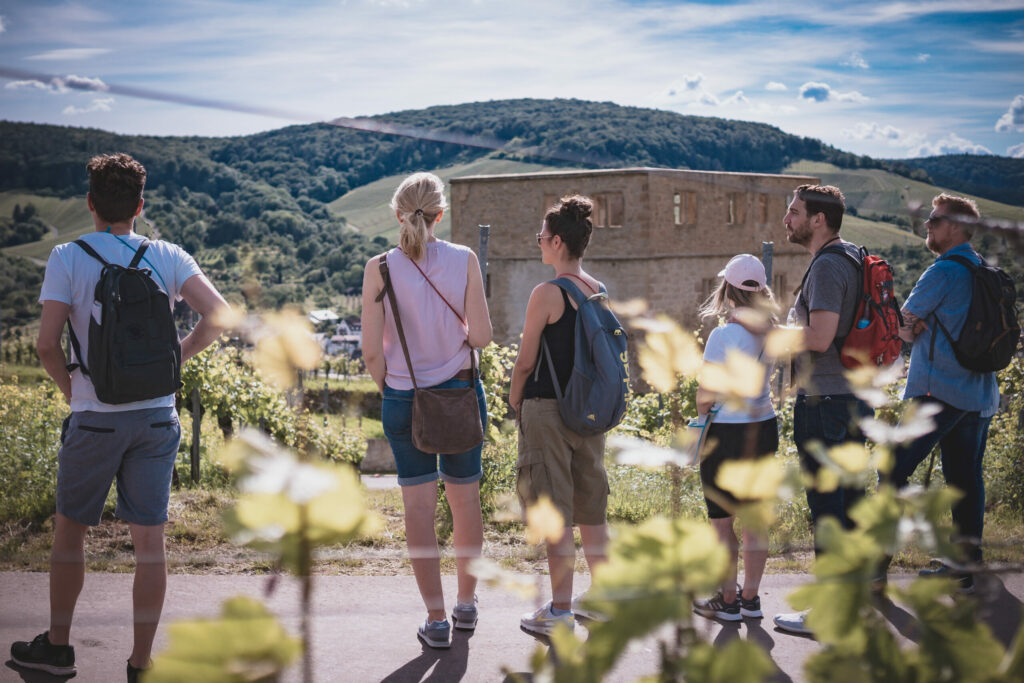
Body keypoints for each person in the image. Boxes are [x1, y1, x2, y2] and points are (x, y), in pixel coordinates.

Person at [10, 153, 230, 682]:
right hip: (157, 418)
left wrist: (74, 393)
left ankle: (58, 650)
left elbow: (45, 346)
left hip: (95, 417)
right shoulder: (169, 255)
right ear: (140, 205)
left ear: (90, 203)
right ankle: (141, 663)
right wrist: (177, 354)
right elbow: (219, 315)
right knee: (149, 544)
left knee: (69, 537)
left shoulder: (68, 256)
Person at [360, 172, 492, 649]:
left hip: (403, 396)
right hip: (458, 394)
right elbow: (480, 337)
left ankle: (435, 620)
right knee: (465, 503)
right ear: (441, 215)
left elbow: (371, 352)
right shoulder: (465, 259)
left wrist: (393, 387)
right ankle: (466, 605)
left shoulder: (380, 267)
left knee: (417, 509)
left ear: (398, 215)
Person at [883, 194, 1000, 594]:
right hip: (981, 392)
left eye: (934, 221)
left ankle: (873, 570)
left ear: (954, 226)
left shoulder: (943, 271)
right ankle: (969, 569)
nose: (928, 226)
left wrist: (912, 328)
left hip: (939, 390)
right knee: (965, 477)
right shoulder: (983, 268)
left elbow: (903, 326)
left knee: (892, 469)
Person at [773, 184, 873, 636]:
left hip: (826, 400)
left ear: (818, 220)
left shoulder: (829, 266)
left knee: (829, 507)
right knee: (850, 503)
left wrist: (773, 333)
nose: (786, 220)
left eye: (794, 212)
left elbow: (819, 337)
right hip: (852, 397)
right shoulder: (853, 256)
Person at [508, 195, 610, 636]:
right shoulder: (597, 290)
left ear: (555, 241)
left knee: (555, 513)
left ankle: (561, 611)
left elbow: (526, 361)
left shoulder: (547, 293)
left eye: (540, 238)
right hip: (588, 412)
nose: (538, 244)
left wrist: (514, 399)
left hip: (548, 411)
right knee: (592, 511)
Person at [691, 254, 779, 622]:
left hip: (727, 431)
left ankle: (727, 600)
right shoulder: (773, 331)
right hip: (765, 426)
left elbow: (705, 397)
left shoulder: (723, 335)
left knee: (723, 523)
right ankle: (751, 598)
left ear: (728, 289)